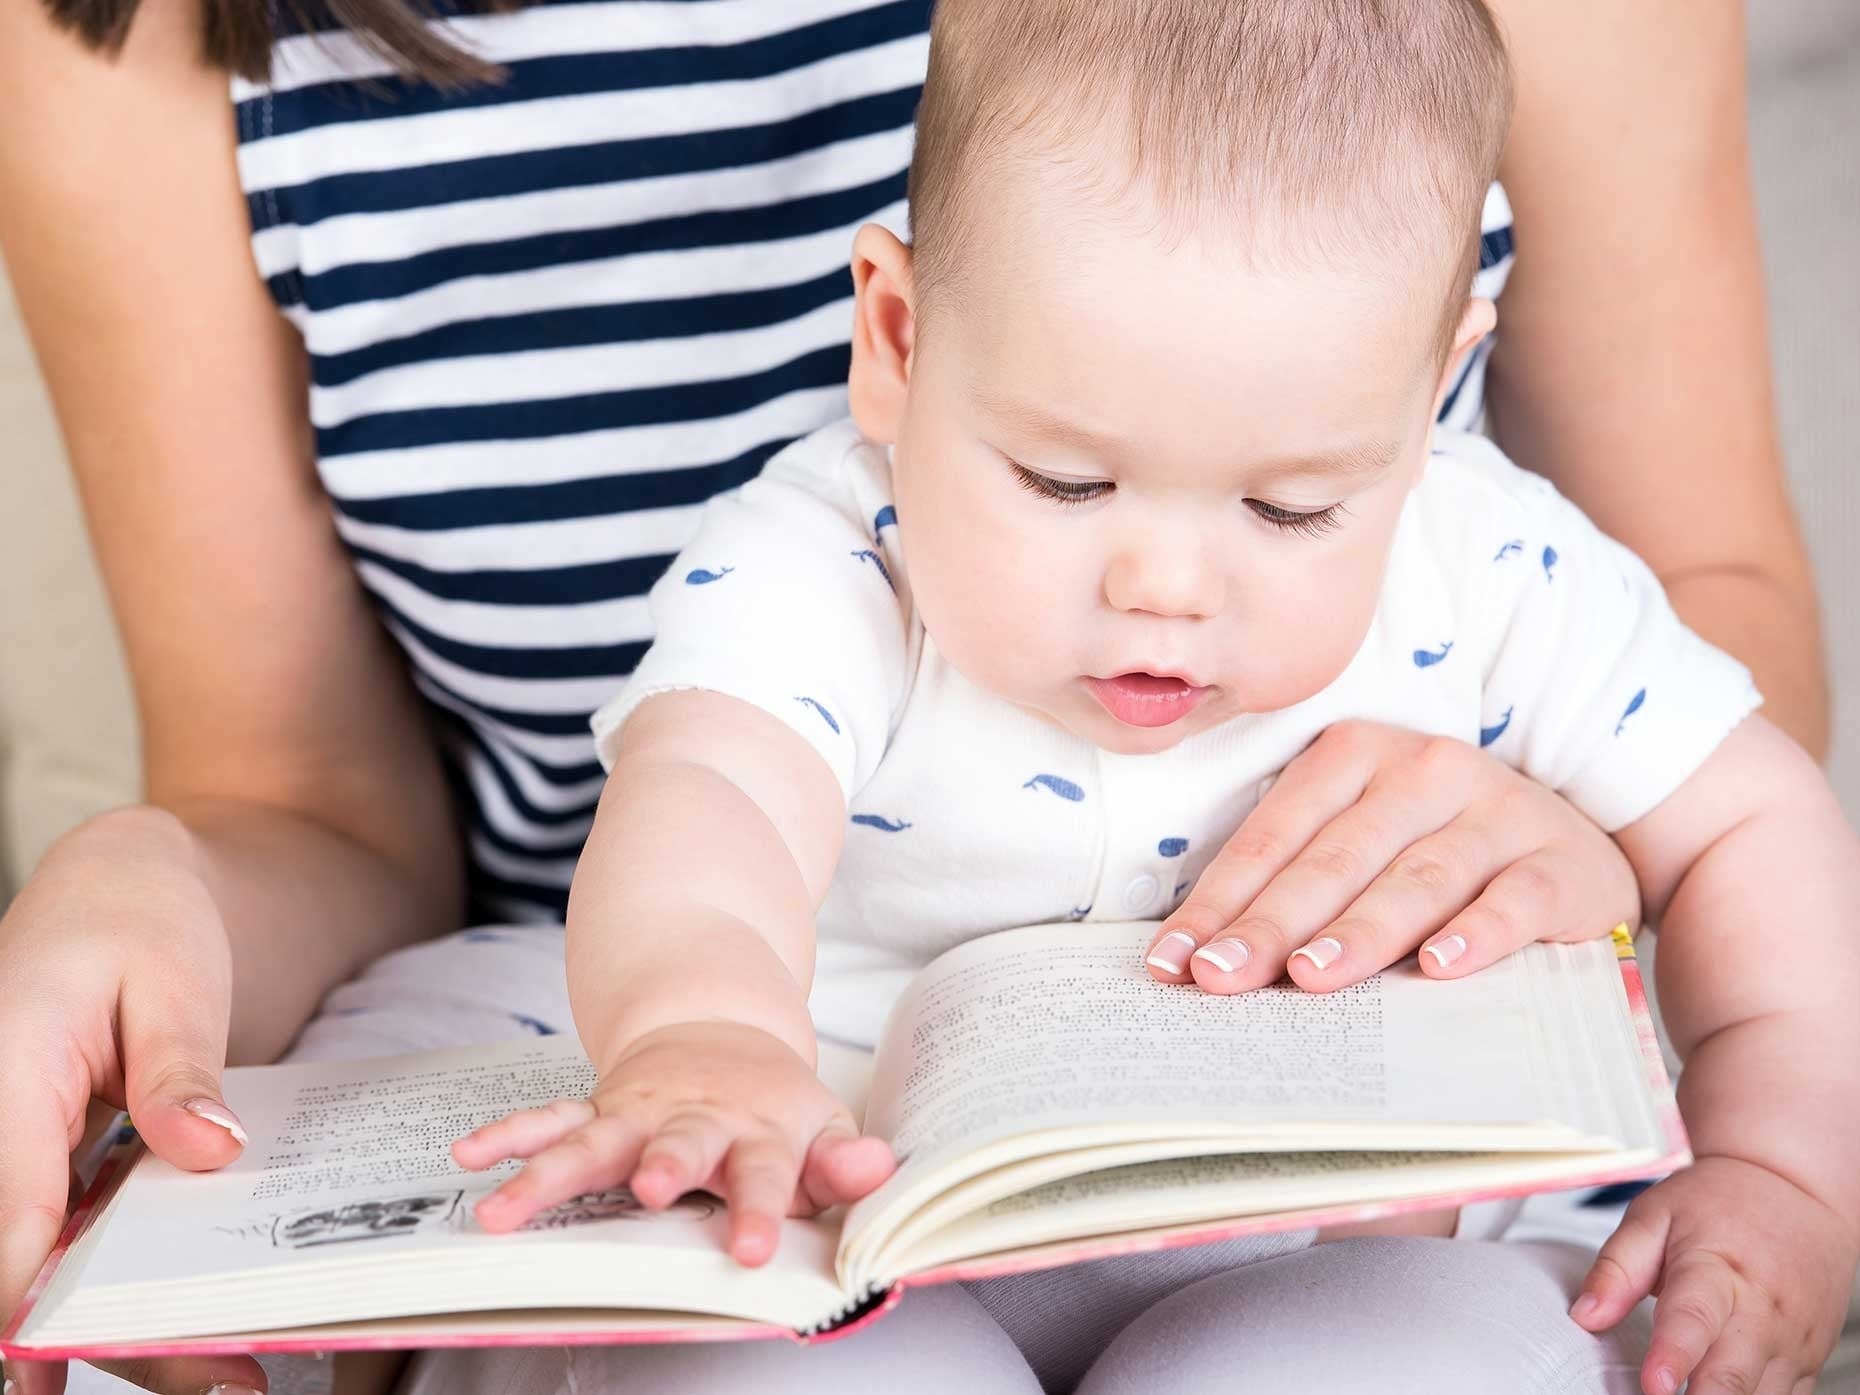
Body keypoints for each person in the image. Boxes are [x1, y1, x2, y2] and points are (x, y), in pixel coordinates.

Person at [0, 0, 1824, 1391]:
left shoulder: (1487, 550)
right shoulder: (826, 550)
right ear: (898, 336)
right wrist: (701, 1030)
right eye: (1061, 481)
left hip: (1351, 1188)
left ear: (1437, 380)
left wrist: (1786, 1158)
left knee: (1418, 1352)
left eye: (1291, 506)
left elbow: (1750, 806)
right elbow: (707, 803)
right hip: (830, 1162)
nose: (1165, 585)